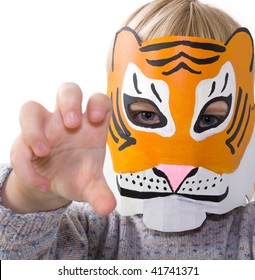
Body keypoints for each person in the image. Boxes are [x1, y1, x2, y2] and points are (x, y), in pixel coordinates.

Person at [0, 0, 255, 259]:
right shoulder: (89, 233)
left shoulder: (248, 233)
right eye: (146, 114)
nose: (176, 173)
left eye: (211, 120)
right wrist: (30, 196)